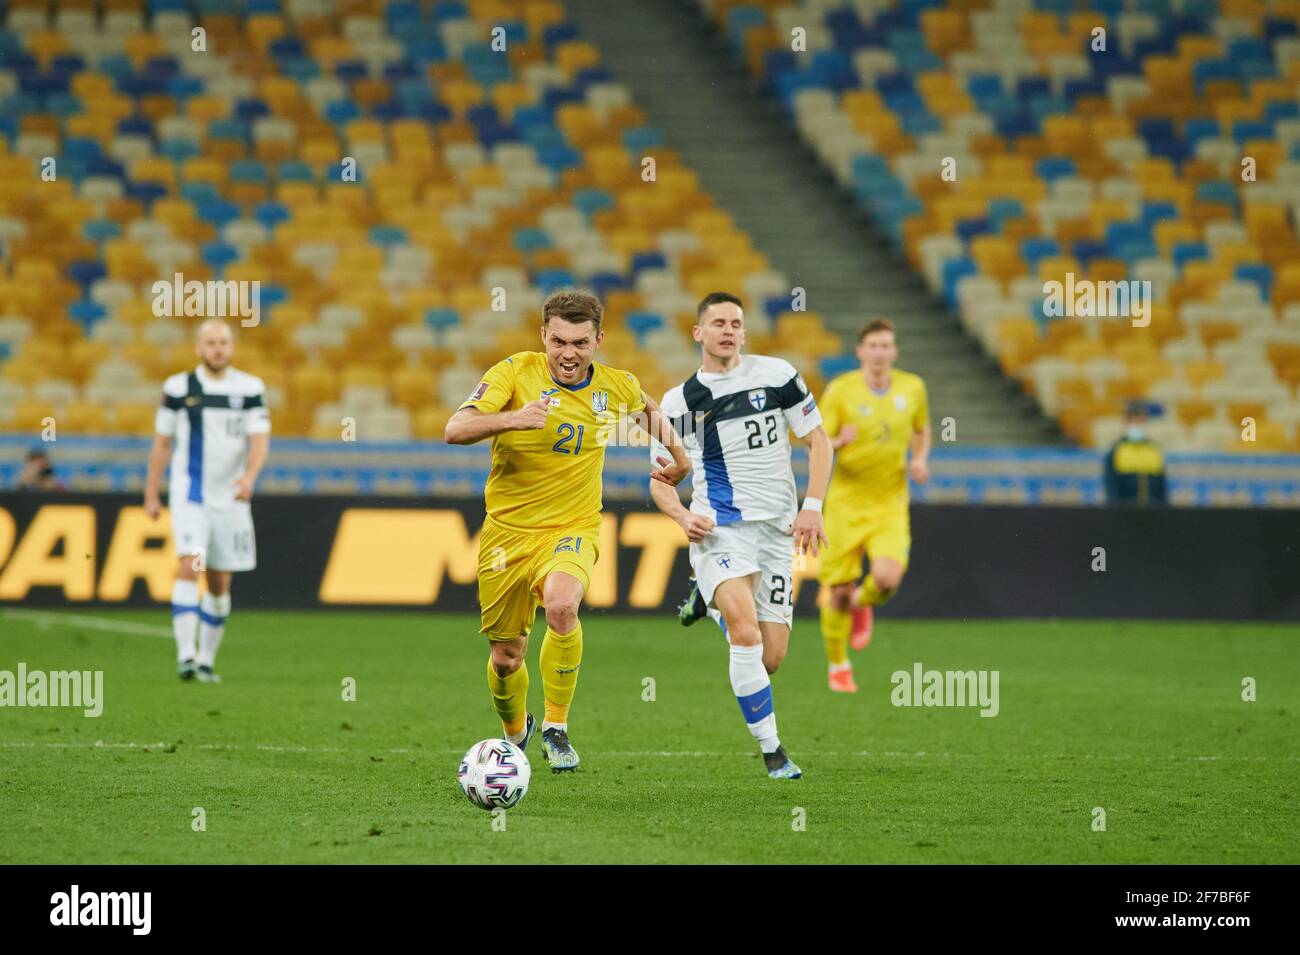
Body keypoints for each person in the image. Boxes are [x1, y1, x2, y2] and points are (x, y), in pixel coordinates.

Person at [444, 289, 689, 773]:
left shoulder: (615, 386)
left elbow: (650, 412)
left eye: (580, 342)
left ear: (599, 339)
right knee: (507, 657)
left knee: (561, 605)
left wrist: (680, 460)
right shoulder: (514, 372)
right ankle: (516, 732)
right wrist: (515, 419)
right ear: (544, 336)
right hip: (506, 536)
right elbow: (455, 429)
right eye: (559, 341)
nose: (569, 353)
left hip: (572, 526)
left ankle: (557, 728)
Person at [651, 292, 832, 779]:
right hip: (720, 528)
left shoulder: (777, 375)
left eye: (736, 323)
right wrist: (681, 517)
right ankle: (773, 751)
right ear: (698, 333)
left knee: (770, 658)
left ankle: (704, 600)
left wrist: (812, 507)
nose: (728, 330)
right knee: (744, 632)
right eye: (718, 323)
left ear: (744, 332)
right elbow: (660, 480)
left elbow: (818, 441)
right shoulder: (681, 402)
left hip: (777, 530)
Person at [145, 318, 270, 683]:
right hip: (191, 494)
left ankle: (205, 660)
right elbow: (162, 443)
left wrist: (249, 478)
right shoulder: (178, 387)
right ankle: (185, 655)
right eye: (211, 342)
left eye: (224, 342)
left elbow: (259, 441)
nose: (218, 348)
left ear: (231, 348)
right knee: (191, 563)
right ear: (199, 348)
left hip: (230, 499)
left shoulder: (250, 388)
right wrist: (151, 493)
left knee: (219, 583)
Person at [817, 318, 930, 693]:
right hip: (846, 501)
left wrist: (920, 459)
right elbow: (815, 440)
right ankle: (838, 666)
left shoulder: (913, 387)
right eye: (873, 346)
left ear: (895, 351)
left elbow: (922, 427)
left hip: (889, 501)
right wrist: (837, 442)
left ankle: (863, 604)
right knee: (837, 591)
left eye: (886, 346)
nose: (880, 352)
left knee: (886, 578)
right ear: (860, 351)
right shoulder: (840, 391)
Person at [1104, 400, 1167, 506]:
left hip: (1152, 513)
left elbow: (1162, 486)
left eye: (1142, 418)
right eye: (1134, 418)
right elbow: (1111, 486)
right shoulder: (1117, 450)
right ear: (1127, 420)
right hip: (1125, 514)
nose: (1138, 422)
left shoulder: (1154, 449)